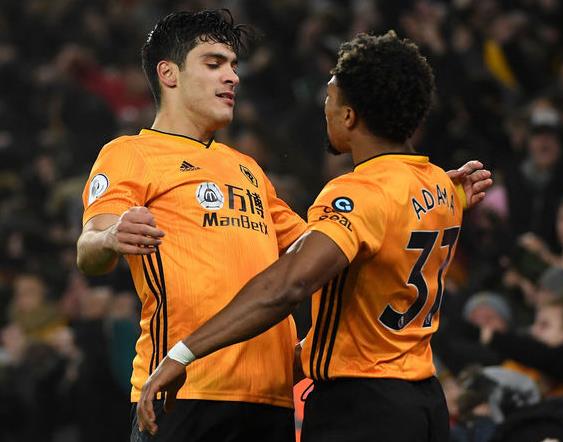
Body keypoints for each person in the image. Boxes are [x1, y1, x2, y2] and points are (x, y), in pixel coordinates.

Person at [76, 9, 490, 442]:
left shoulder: (247, 169)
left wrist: (412, 192)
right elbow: (90, 251)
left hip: (273, 398)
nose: (232, 77)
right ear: (169, 74)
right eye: (214, 64)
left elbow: (327, 248)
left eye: (233, 65)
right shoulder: (130, 154)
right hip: (188, 391)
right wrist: (110, 237)